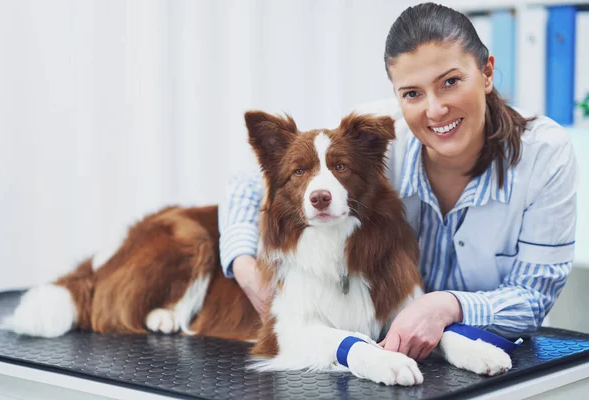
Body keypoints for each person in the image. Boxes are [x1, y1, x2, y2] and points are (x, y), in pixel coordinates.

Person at [217, 2, 578, 361]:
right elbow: (247, 186)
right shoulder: (378, 137)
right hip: (394, 346)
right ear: (396, 96)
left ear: (486, 73)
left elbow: (532, 300)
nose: (435, 110)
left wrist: (445, 306)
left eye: (450, 82)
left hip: (490, 351)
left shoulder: (544, 155)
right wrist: (245, 267)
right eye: (412, 94)